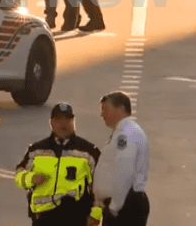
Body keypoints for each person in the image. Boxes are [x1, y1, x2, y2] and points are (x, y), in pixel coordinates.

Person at [14, 102, 103, 226]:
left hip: (76, 217)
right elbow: (19, 174)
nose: (63, 124)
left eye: (68, 119)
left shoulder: (88, 151)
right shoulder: (36, 150)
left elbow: (101, 185)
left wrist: (95, 214)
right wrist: (31, 178)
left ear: (73, 121)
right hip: (43, 218)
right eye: (58, 119)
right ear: (51, 122)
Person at [94, 92, 150, 226]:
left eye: (106, 109)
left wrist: (114, 208)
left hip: (125, 204)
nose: (102, 114)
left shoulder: (125, 135)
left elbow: (125, 171)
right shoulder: (126, 131)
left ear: (120, 110)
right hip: (125, 202)